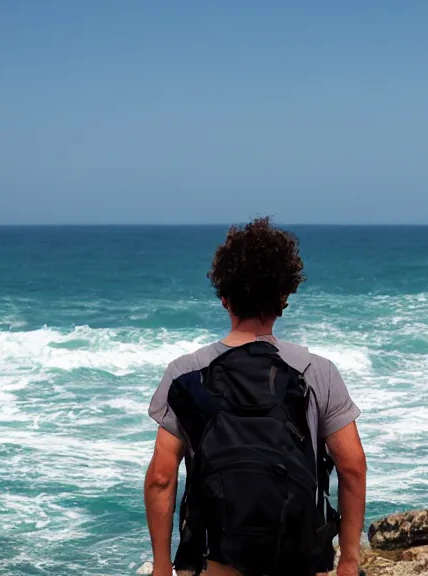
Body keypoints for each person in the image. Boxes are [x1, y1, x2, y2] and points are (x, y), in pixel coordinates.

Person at [144, 217, 367, 576]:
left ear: (224, 298)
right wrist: (350, 561)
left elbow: (161, 478)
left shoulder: (186, 373)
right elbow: (353, 467)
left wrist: (160, 567)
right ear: (283, 299)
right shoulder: (318, 372)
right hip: (298, 561)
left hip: (215, 560)